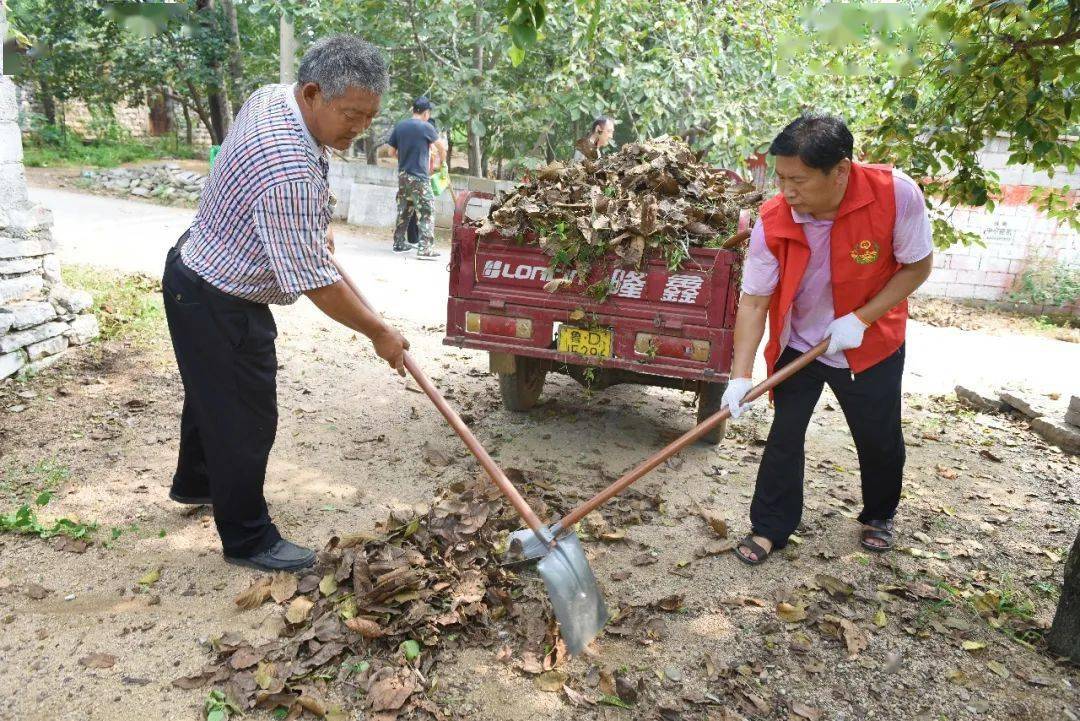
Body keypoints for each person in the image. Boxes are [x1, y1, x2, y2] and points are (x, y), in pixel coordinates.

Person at [161, 35, 409, 572]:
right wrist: (379, 333)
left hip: (190, 273)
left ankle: (199, 483)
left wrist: (306, 227)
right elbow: (318, 283)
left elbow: (291, 223)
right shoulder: (289, 171)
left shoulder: (276, 95)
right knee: (245, 417)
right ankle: (248, 537)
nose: (360, 129)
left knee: (212, 393)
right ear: (314, 93)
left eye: (369, 118)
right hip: (219, 297)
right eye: (351, 115)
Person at [722, 113, 933, 566]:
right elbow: (755, 302)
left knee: (877, 436)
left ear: (840, 171)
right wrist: (740, 377)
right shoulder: (772, 220)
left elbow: (917, 267)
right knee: (785, 434)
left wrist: (861, 319)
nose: (787, 192)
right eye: (780, 179)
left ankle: (879, 514)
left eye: (798, 181)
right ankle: (770, 527)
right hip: (800, 341)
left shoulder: (896, 195)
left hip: (870, 340)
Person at [388, 97, 447, 259]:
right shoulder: (426, 127)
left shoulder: (400, 126)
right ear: (426, 113)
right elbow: (441, 146)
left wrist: (406, 158)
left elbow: (390, 153)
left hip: (403, 176)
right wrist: (443, 161)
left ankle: (399, 243)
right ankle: (425, 249)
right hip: (419, 177)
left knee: (404, 210)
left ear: (414, 110)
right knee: (427, 210)